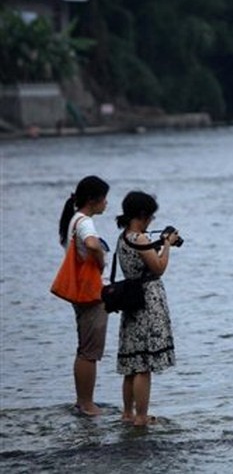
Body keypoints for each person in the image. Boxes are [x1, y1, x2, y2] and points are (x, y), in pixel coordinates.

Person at [114, 191, 178, 426]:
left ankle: (127, 413)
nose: (152, 219)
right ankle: (141, 416)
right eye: (150, 215)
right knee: (144, 364)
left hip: (131, 301)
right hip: (147, 301)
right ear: (143, 214)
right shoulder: (140, 239)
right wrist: (167, 245)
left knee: (132, 362)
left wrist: (159, 243)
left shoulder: (124, 237)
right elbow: (158, 267)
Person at [56, 175, 110, 416]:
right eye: (104, 198)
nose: (107, 203)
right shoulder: (85, 222)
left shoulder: (73, 220)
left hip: (80, 293)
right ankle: (87, 403)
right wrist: (100, 260)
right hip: (91, 294)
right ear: (93, 200)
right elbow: (91, 244)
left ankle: (82, 400)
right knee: (90, 352)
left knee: (84, 349)